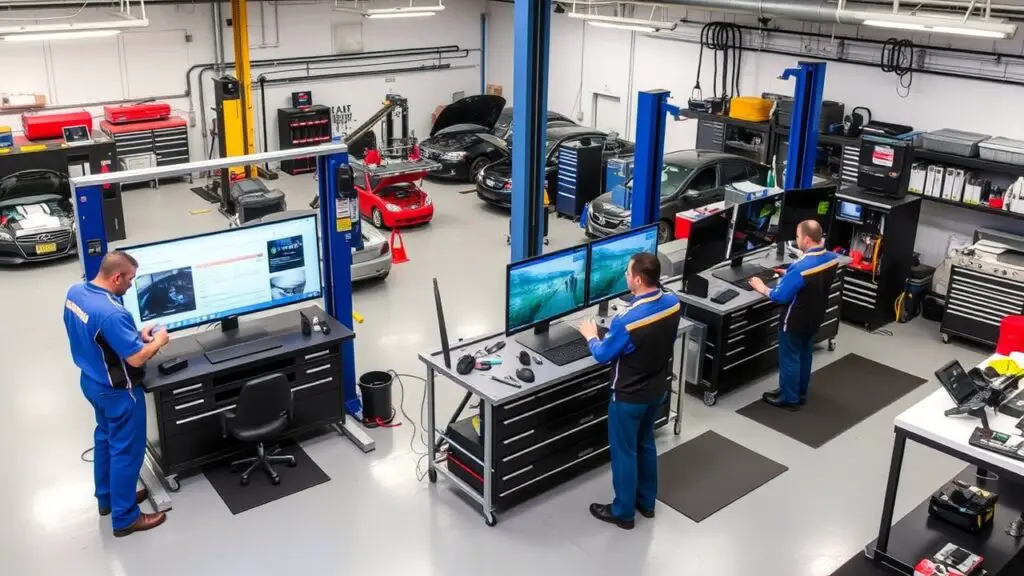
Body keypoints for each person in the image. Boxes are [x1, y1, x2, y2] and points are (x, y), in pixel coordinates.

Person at [63, 251, 171, 537]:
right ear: (116, 277)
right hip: (119, 392)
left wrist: (135, 334)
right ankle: (125, 518)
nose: (132, 285)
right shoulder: (112, 311)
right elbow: (136, 359)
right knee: (126, 451)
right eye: (131, 279)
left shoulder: (76, 292)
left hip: (91, 382)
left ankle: (108, 499)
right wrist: (158, 340)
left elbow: (97, 334)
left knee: (105, 438)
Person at [576, 252, 681, 530]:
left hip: (627, 397)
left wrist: (590, 335)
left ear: (637, 279)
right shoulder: (672, 303)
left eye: (627, 272)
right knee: (645, 443)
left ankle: (622, 511)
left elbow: (603, 353)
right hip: (656, 389)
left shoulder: (627, 320)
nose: (624, 276)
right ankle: (646, 502)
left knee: (624, 453)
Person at [749, 219, 839, 411]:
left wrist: (761, 287)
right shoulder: (832, 258)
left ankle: (788, 398)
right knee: (805, 354)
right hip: (814, 317)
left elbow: (779, 296)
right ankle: (800, 392)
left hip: (794, 320)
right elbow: (810, 277)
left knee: (789, 357)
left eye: (797, 236)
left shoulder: (801, 269)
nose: (796, 240)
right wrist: (789, 273)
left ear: (806, 239)